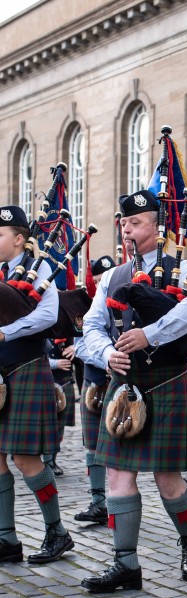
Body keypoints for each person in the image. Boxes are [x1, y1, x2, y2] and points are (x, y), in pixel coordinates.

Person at [80, 189, 187, 592]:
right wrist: (105, 355)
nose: (128, 229)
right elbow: (91, 325)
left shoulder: (180, 265)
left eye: (136, 223)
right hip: (124, 383)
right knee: (119, 476)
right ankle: (125, 564)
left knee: (167, 480)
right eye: (124, 223)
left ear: (157, 226)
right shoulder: (113, 277)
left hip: (167, 379)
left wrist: (149, 335)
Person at [0, 205, 74, 564]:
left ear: (18, 238)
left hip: (27, 366)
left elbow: (47, 315)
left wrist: (5, 332)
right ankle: (7, 539)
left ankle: (57, 532)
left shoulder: (39, 267)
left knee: (25, 457)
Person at [73, 255, 116, 526]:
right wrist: (107, 359)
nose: (102, 284)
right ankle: (98, 501)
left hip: (121, 382)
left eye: (105, 280)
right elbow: (79, 347)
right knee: (92, 445)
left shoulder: (126, 298)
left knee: (118, 445)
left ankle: (120, 501)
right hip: (94, 381)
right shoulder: (83, 304)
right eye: (98, 280)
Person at [43, 336, 76, 477]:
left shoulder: (70, 324)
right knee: (45, 424)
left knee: (60, 425)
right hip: (44, 380)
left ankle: (52, 461)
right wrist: (55, 364)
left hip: (64, 380)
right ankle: (44, 460)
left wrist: (77, 348)